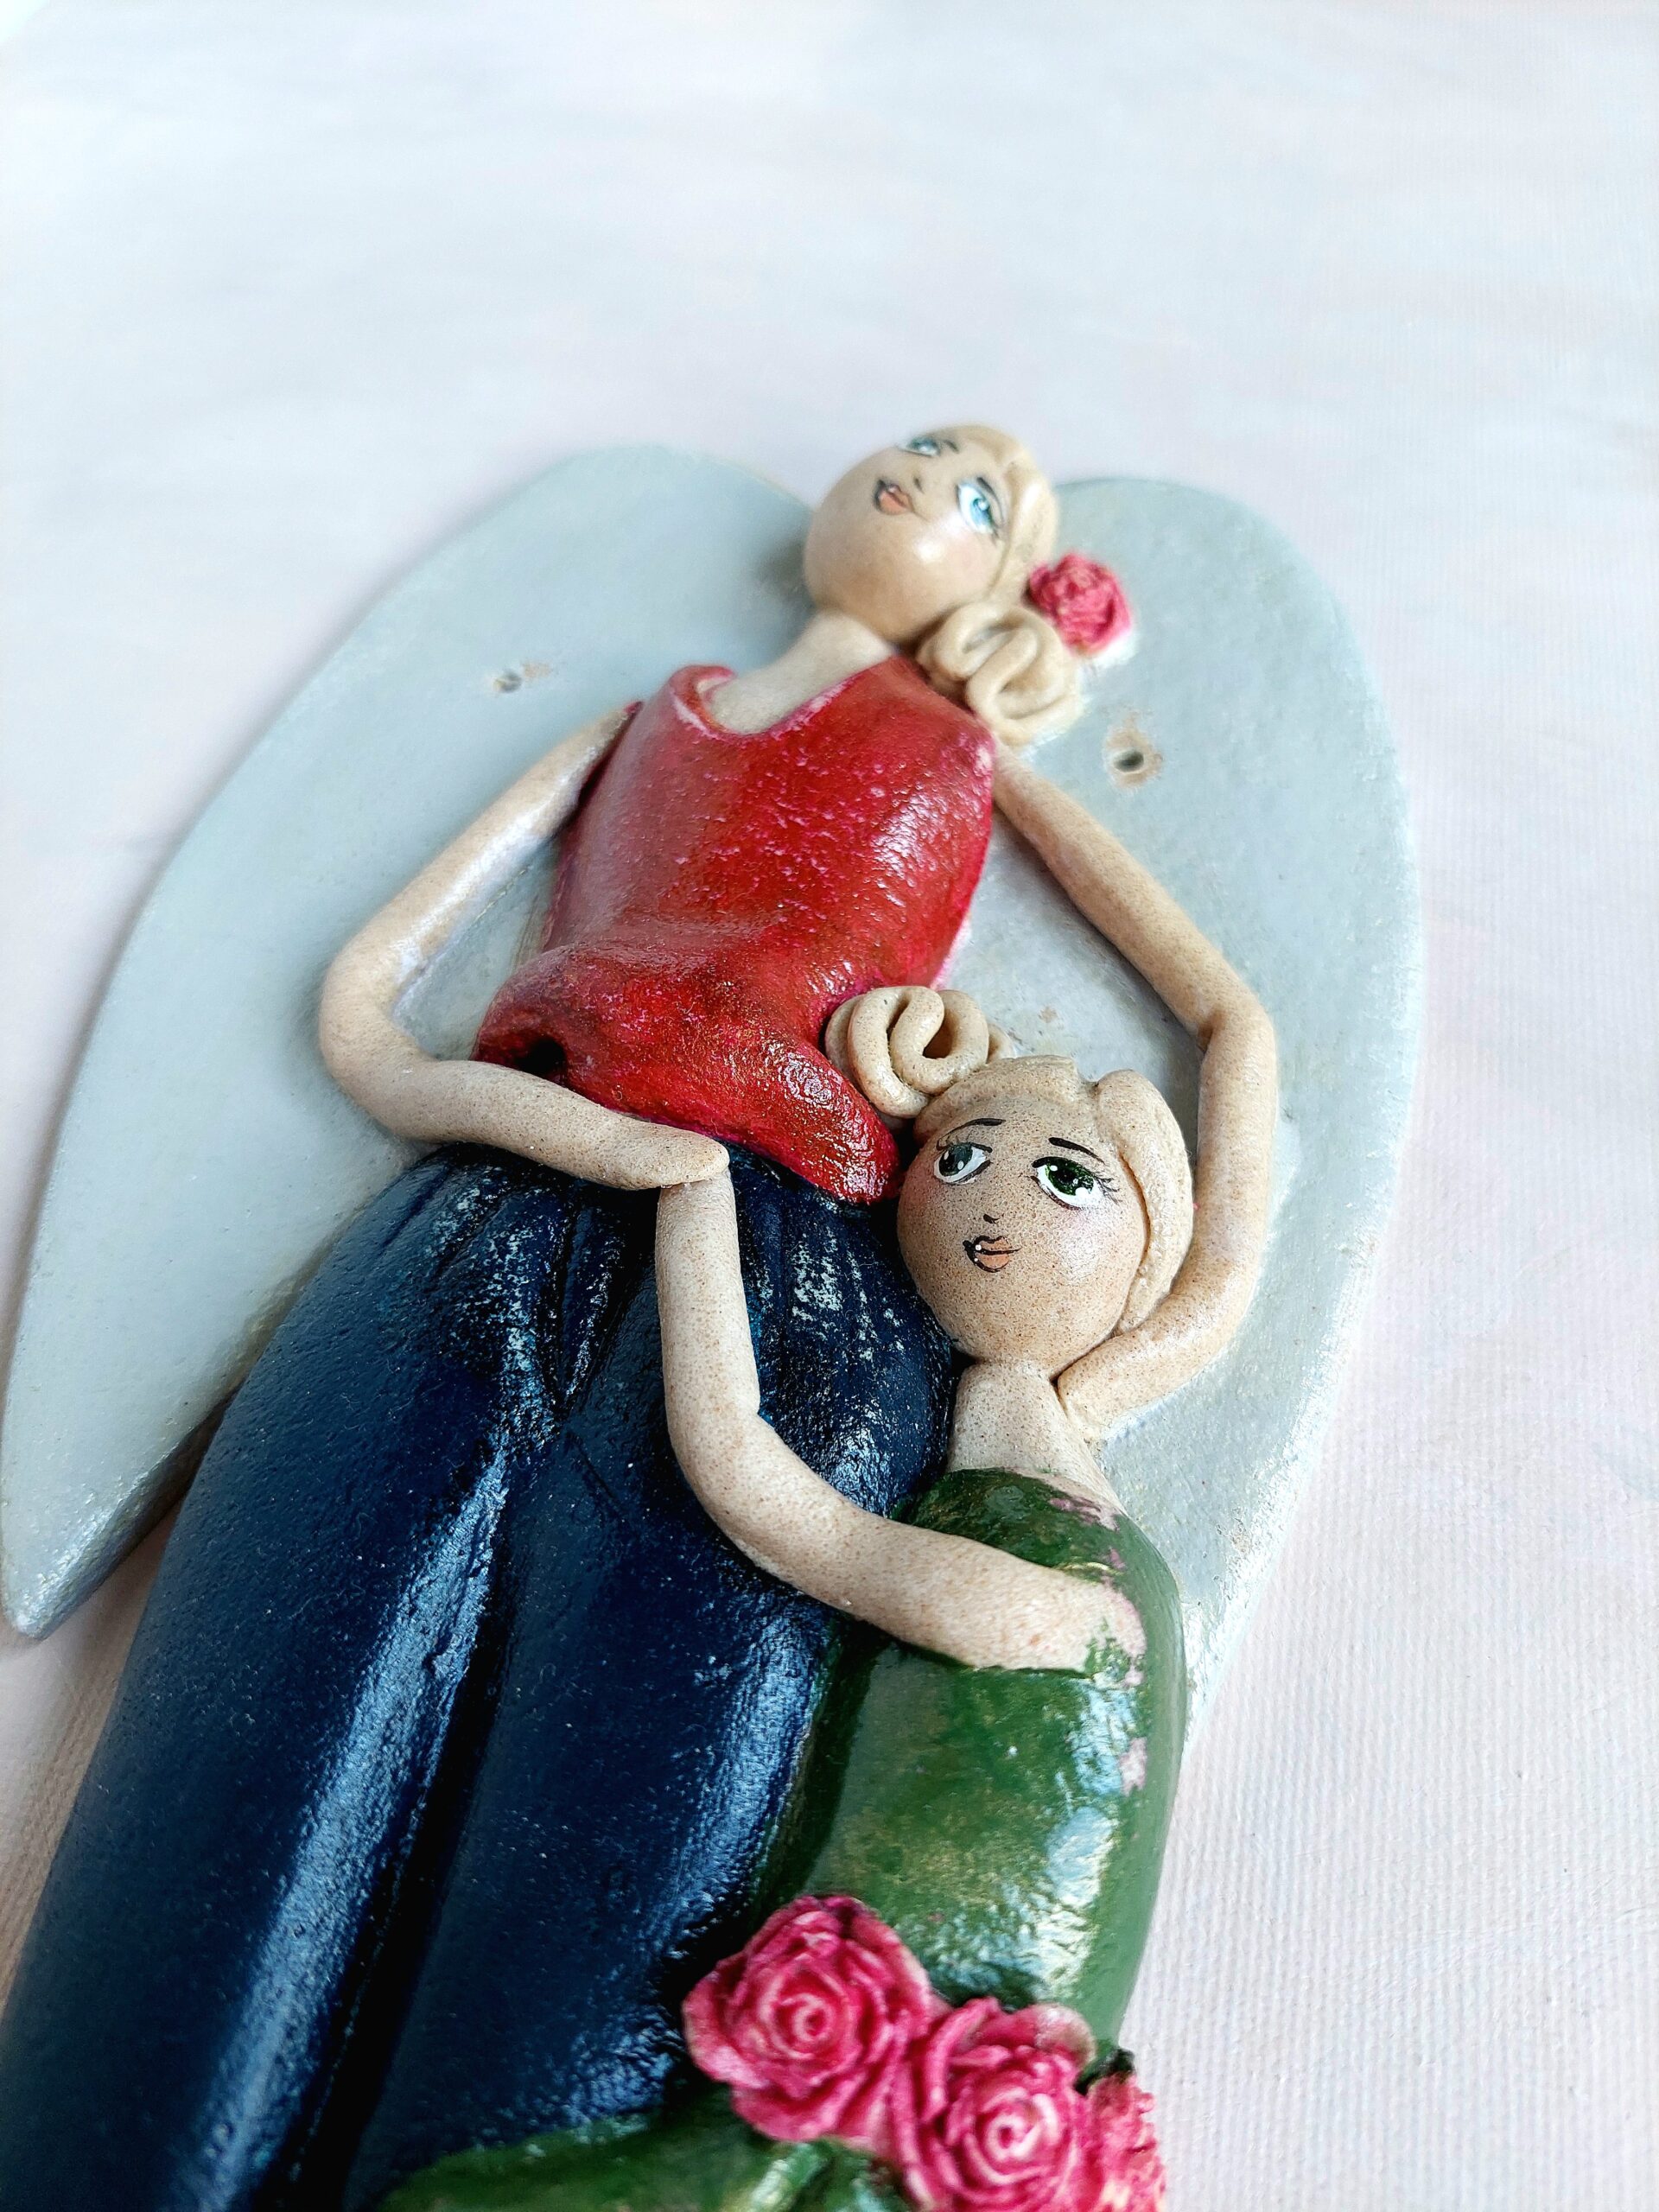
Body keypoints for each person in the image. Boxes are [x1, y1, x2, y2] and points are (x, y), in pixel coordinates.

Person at [0, 429, 1179, 2212]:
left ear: (1006, 578)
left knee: (624, 1841)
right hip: (487, 1209)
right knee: (264, 1714)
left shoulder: (966, 756)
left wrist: (1145, 1230)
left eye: (979, 494)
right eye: (921, 451)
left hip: (791, 1284)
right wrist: (499, 1107)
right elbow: (363, 1000)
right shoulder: (646, 720)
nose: (922, 478)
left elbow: (1224, 1015)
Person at [377, 762, 1277, 2212]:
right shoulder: (1024, 1506)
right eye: (962, 1159)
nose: (993, 1200)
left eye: (1065, 1178)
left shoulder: (1059, 1589)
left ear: (1146, 1239)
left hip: (887, 2117)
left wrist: (1015, 780)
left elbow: (750, 1483)